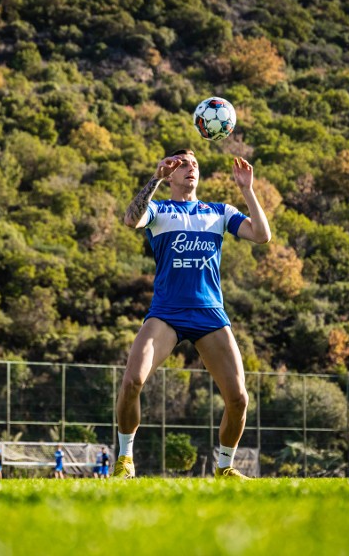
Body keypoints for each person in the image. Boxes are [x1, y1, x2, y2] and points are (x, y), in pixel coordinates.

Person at [113, 150, 271, 479]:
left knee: (239, 398)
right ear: (170, 175)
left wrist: (247, 189)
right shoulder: (158, 210)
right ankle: (125, 460)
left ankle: (225, 467)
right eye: (182, 164)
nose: (190, 169)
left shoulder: (219, 212)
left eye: (195, 164)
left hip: (209, 315)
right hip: (167, 314)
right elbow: (131, 219)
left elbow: (261, 235)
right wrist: (155, 178)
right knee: (131, 383)